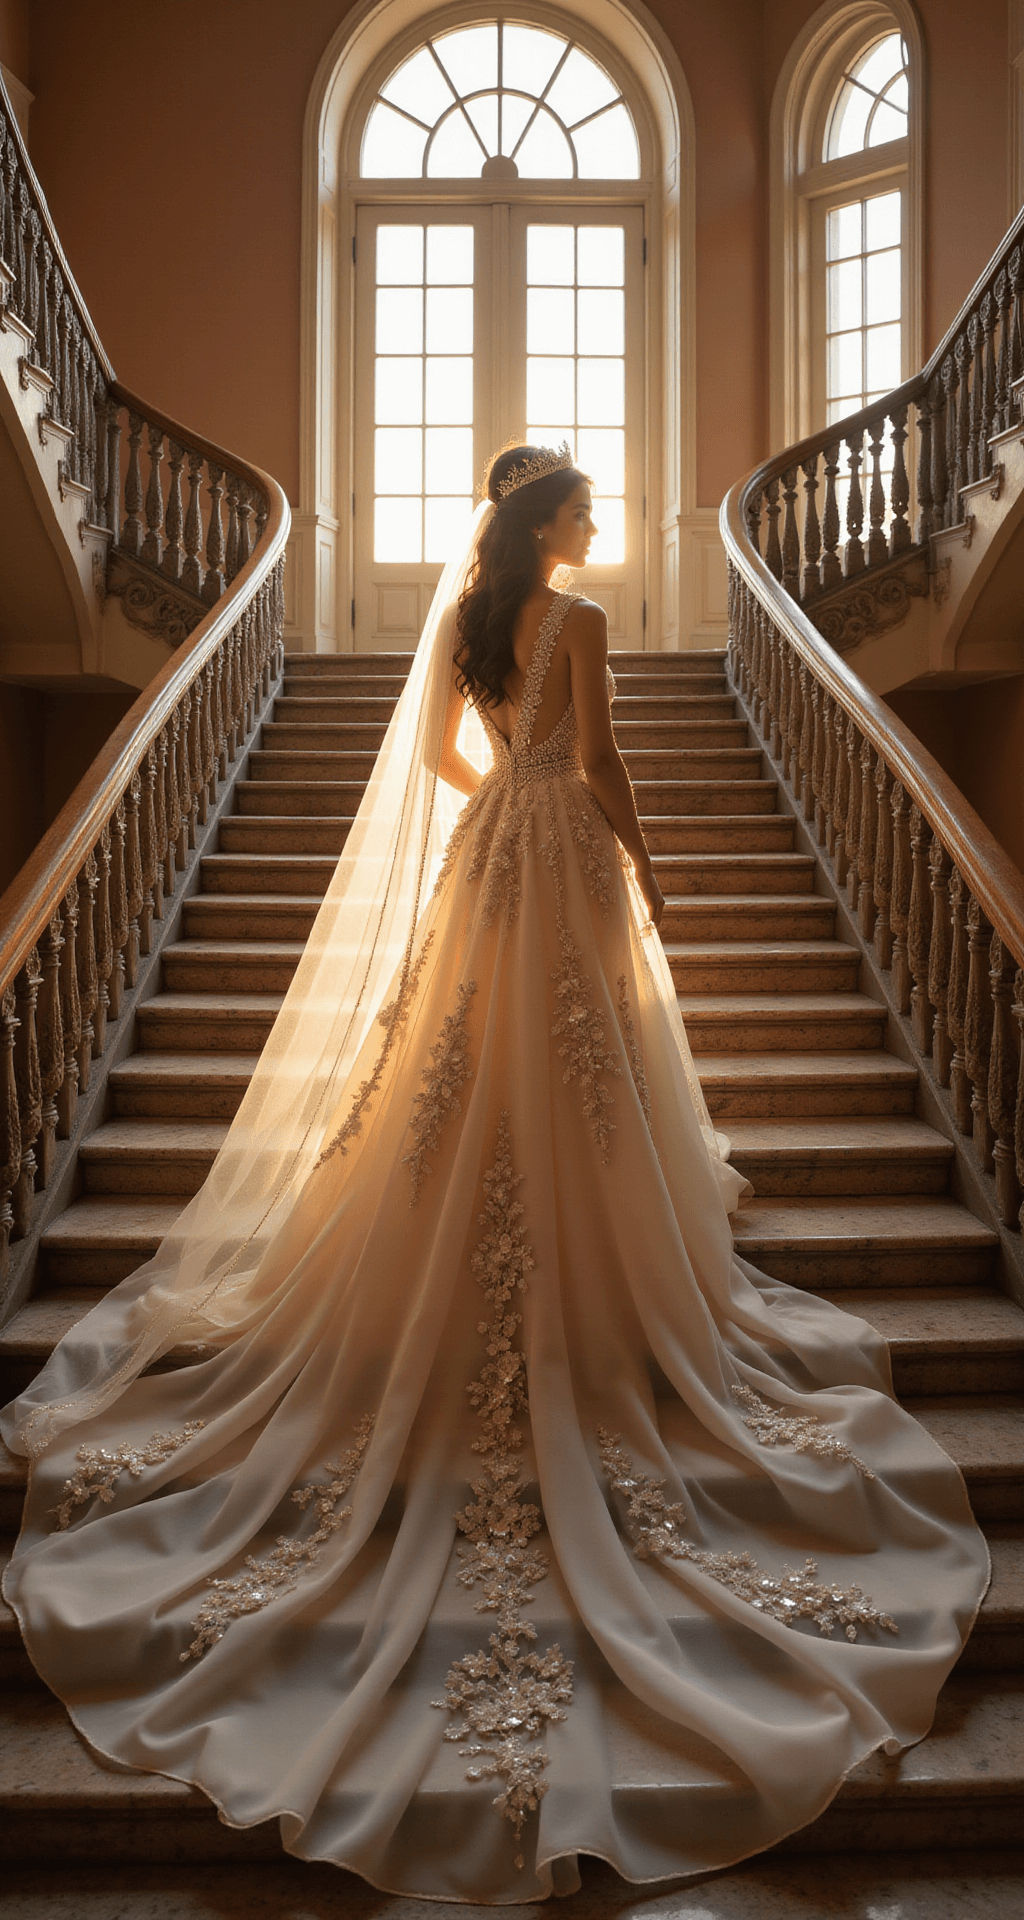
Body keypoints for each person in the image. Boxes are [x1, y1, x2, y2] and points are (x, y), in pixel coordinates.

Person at [1, 444, 989, 1905]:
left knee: (458, 1078)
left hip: (488, 854)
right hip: (567, 853)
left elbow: (455, 757)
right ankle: (607, 1304)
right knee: (575, 1075)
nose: (598, 523)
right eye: (587, 507)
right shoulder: (580, 623)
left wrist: (499, 796)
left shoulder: (474, 610)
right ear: (553, 522)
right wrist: (640, 864)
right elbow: (603, 765)